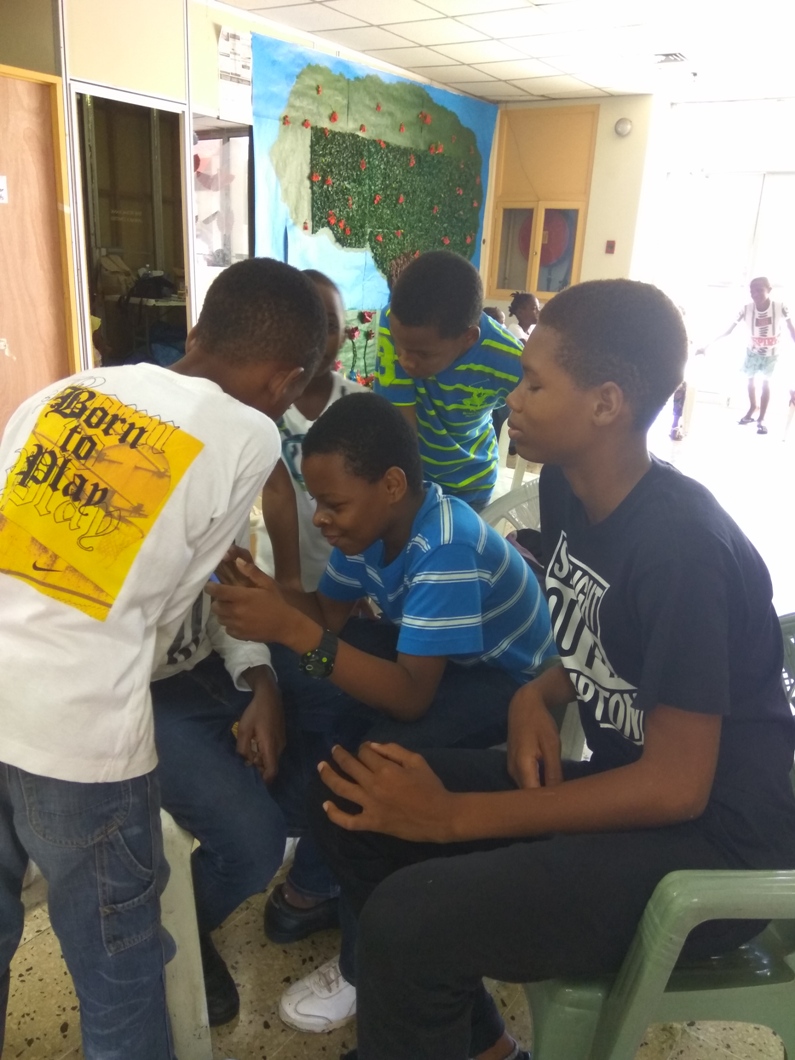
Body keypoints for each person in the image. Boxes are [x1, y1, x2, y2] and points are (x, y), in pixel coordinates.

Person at [304, 278, 795, 1060]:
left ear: (606, 404)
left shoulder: (681, 551)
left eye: (533, 383)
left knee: (408, 922)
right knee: (351, 794)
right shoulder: (567, 488)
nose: (513, 398)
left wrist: (454, 817)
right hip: (633, 792)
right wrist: (536, 692)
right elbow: (600, 634)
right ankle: (485, 1049)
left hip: (712, 847)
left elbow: (677, 786)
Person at [0, 257, 327, 1060]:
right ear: (287, 381)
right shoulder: (248, 433)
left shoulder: (64, 392)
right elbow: (178, 604)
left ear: (197, 331)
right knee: (120, 975)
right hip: (78, 738)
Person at [206, 392, 557, 1034]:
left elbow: (411, 695)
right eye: (316, 501)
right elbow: (329, 617)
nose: (319, 519)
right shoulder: (367, 529)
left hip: (508, 687)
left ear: (392, 485)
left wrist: (293, 628)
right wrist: (270, 595)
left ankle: (364, 966)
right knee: (292, 674)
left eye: (332, 504)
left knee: (370, 766)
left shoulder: (445, 544)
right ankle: (317, 855)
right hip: (438, 661)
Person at [374, 251, 523, 511]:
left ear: (469, 338)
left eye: (423, 354)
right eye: (400, 346)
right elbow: (400, 425)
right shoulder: (396, 322)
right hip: (414, 479)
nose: (405, 361)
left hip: (471, 489)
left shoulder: (509, 359)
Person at [258, 270, 371, 591]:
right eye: (304, 325)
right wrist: (286, 581)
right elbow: (274, 491)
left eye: (330, 326)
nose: (316, 339)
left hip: (348, 581)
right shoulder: (262, 406)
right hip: (276, 572)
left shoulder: (362, 406)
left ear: (345, 334)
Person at [697, 276, 795, 434]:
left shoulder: (780, 308)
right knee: (750, 382)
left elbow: (791, 330)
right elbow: (728, 330)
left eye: (759, 290)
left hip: (772, 354)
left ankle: (761, 418)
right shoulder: (745, 309)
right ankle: (752, 407)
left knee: (766, 385)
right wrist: (707, 346)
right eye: (752, 291)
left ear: (769, 290)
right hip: (752, 352)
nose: (755, 294)